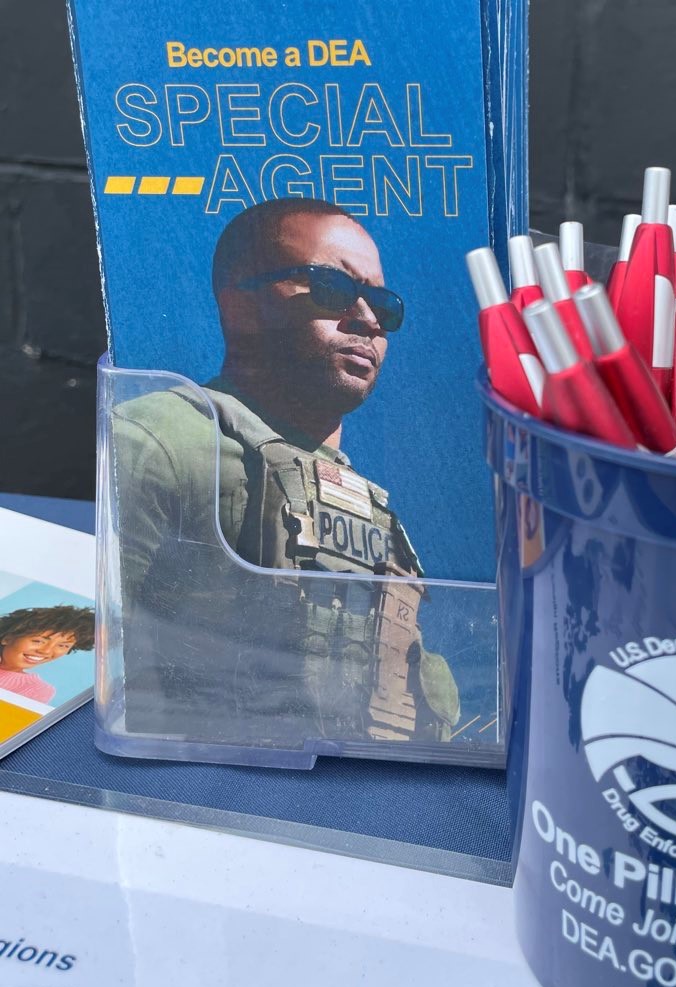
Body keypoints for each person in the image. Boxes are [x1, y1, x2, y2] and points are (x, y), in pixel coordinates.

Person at [111, 198, 459, 746]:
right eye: (332, 288)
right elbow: (99, 657)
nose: (368, 319)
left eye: (383, 305)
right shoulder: (162, 437)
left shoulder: (371, 509)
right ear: (241, 305)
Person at [0, 606, 95, 705]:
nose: (46, 651)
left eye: (62, 645)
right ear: (8, 638)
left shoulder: (37, 689)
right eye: (38, 641)